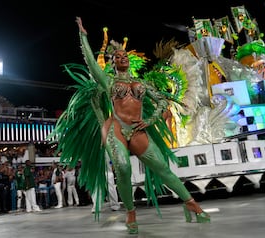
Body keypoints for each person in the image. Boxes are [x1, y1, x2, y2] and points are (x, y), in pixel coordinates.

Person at [51, 17, 210, 235]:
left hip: (137, 130)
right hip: (115, 127)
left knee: (163, 168)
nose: (122, 58)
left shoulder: (142, 84)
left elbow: (162, 102)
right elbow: (89, 60)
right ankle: (130, 212)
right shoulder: (109, 82)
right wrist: (83, 36)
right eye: (118, 57)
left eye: (125, 55)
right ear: (113, 62)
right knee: (123, 168)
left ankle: (190, 202)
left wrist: (151, 119)